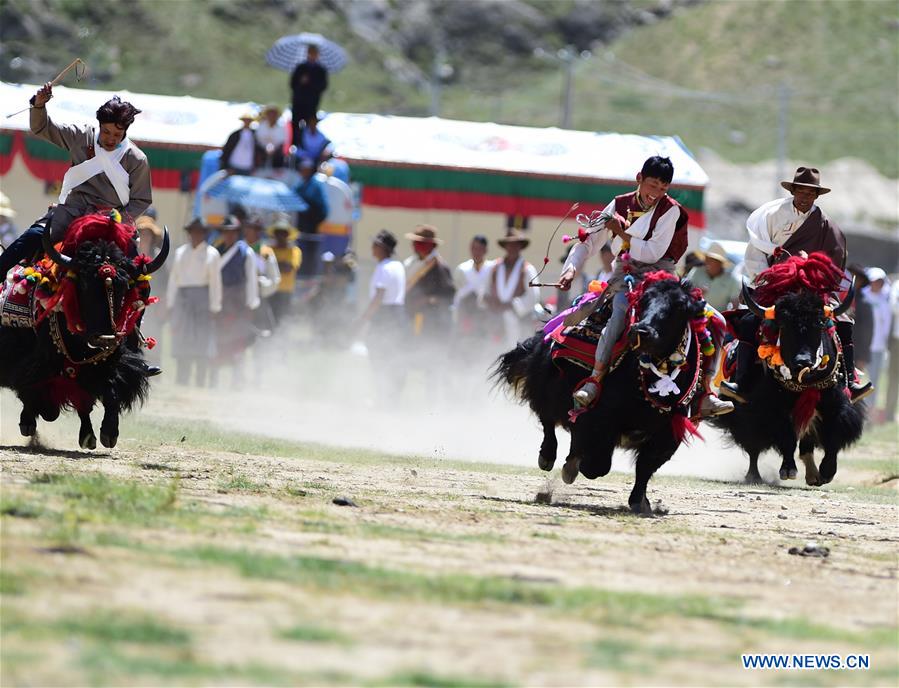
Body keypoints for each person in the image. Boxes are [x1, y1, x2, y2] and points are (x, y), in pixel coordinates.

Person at [559, 156, 733, 417]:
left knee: (716, 321)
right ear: (639, 178)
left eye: (663, 188)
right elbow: (588, 242)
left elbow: (652, 253)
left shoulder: (670, 210)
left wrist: (620, 232)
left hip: (661, 280)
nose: (656, 193)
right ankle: (594, 381)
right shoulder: (618, 204)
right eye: (652, 185)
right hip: (624, 275)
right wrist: (571, 268)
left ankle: (706, 392)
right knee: (618, 316)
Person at [723, 167, 870, 402]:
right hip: (775, 284)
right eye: (801, 191)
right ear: (793, 191)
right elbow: (756, 253)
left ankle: (849, 380)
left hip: (813, 289)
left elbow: (834, 264)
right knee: (750, 319)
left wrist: (811, 277)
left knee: (843, 321)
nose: (805, 197)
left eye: (810, 193)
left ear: (817, 196)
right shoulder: (772, 216)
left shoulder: (826, 226)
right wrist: (768, 280)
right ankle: (740, 381)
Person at [0, 85, 151, 278]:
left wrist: (118, 219)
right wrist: (38, 106)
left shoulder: (137, 159)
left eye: (116, 134)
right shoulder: (81, 136)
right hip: (71, 211)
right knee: (32, 237)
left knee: (134, 271)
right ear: (99, 125)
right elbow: (42, 127)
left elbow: (142, 200)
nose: (110, 139)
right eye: (106, 132)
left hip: (110, 221)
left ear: (125, 133)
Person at [166, 218, 222, 387]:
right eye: (193, 232)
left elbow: (215, 283)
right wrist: (170, 302)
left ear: (204, 234)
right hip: (183, 299)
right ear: (189, 233)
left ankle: (200, 380)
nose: (196, 235)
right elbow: (174, 279)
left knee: (201, 339)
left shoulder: (212, 254)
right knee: (182, 338)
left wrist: (215, 306)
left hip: (202, 299)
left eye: (200, 232)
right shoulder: (181, 252)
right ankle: (181, 378)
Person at [357, 229, 406, 400]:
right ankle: (391, 395)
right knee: (391, 357)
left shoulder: (383, 268)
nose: (372, 248)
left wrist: (364, 319)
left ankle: (383, 395)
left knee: (379, 357)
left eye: (375, 245)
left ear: (382, 248)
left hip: (384, 316)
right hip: (397, 315)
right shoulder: (398, 265)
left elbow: (378, 297)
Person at [212, 216, 260, 388]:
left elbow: (251, 281)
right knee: (219, 342)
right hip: (221, 302)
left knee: (238, 343)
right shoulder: (216, 251)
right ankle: (214, 380)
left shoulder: (246, 252)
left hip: (239, 304)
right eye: (226, 232)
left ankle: (237, 381)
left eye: (232, 232)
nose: (229, 235)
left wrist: (250, 304)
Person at [486, 229, 540, 348]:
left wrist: (513, 305)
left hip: (518, 320)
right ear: (505, 246)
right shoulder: (494, 267)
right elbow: (485, 290)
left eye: (516, 245)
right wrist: (491, 302)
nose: (512, 248)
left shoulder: (527, 269)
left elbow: (533, 296)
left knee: (516, 350)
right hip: (496, 318)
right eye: (509, 244)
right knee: (493, 349)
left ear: (520, 247)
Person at [404, 224, 455, 343]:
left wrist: (428, 299)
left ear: (431, 246)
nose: (415, 246)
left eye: (420, 243)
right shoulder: (412, 263)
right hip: (412, 315)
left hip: (431, 320)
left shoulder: (439, 267)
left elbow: (449, 296)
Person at [242, 215, 281, 333]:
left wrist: (262, 283)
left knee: (264, 330)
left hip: (259, 297)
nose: (252, 231)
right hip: (239, 297)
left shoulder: (266, 253)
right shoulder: (239, 249)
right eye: (250, 227)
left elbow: (275, 279)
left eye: (257, 229)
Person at [862, 267, 892, 411]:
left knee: (874, 380)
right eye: (874, 281)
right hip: (862, 347)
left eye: (880, 281)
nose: (877, 284)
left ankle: (870, 409)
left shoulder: (885, 300)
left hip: (878, 347)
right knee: (858, 378)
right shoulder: (862, 296)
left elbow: (887, 323)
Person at [266, 214, 302, 324]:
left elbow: (289, 268)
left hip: (286, 292)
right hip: (270, 291)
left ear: (288, 234)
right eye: (278, 232)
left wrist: (273, 264)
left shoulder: (295, 251)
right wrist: (281, 264)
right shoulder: (268, 250)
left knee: (283, 321)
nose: (280, 235)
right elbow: (263, 266)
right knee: (269, 321)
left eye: (283, 232)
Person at [686, 241, 741, 312]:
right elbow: (686, 293)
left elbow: (735, 304)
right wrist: (696, 293)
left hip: (719, 318)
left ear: (720, 263)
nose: (707, 263)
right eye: (707, 259)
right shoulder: (697, 271)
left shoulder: (731, 279)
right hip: (696, 314)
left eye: (711, 260)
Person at [290, 44, 328, 144]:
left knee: (309, 126)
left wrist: (311, 83)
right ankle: (295, 145)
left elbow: (323, 86)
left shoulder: (321, 70)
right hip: (298, 102)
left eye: (314, 53)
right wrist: (301, 82)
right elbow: (292, 84)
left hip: (312, 104)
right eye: (310, 53)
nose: (312, 55)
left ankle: (308, 145)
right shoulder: (300, 67)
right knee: (295, 125)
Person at [295, 157, 329, 233]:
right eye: (302, 169)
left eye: (306, 169)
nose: (303, 171)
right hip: (300, 224)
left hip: (312, 225)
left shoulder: (316, 185)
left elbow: (322, 207)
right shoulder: (300, 184)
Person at [255, 104, 286, 168]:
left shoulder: (281, 128)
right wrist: (265, 148)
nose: (272, 116)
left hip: (276, 154)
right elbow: (258, 139)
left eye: (274, 114)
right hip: (262, 152)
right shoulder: (261, 126)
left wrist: (273, 148)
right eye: (270, 114)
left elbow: (281, 142)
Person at [886, 277, 899, 422]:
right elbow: (894, 308)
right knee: (894, 379)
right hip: (898, 341)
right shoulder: (897, 285)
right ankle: (889, 413)